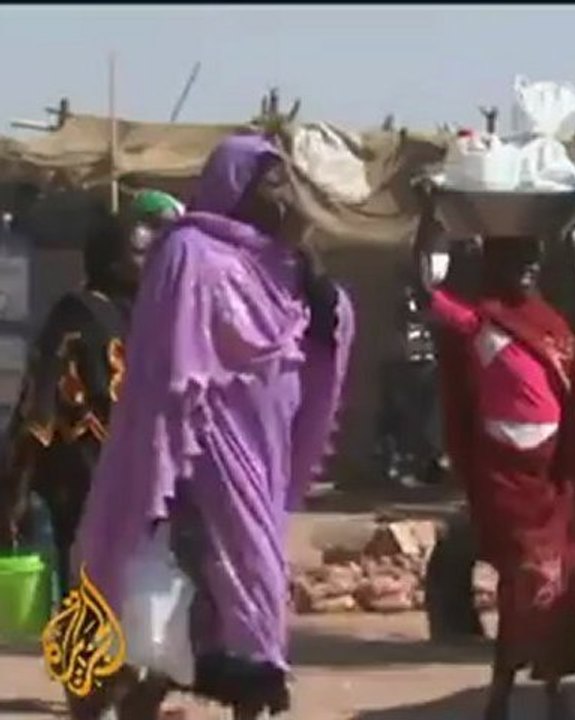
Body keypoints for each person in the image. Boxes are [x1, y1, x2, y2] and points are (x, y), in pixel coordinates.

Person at [70, 133, 354, 720]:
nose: (285, 196)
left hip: (262, 454)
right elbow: (169, 360)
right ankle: (117, 701)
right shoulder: (191, 252)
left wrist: (318, 274)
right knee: (194, 595)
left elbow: (323, 329)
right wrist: (170, 456)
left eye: (286, 183)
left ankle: (223, 698)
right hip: (200, 459)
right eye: (272, 183)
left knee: (243, 589)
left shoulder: (287, 265)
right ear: (237, 188)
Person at [413, 196, 575, 720]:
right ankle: (515, 694)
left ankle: (540, 694)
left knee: (552, 578)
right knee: (530, 577)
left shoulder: (549, 324)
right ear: (494, 266)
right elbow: (423, 292)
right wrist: (426, 220)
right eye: (515, 262)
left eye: (532, 263)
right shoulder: (478, 321)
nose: (525, 272)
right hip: (505, 475)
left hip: (553, 472)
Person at [0, 190, 184, 595]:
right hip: (98, 480)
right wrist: (15, 485)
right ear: (111, 260)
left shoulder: (153, 316)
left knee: (120, 598)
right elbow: (41, 407)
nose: (150, 263)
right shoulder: (87, 313)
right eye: (139, 255)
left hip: (123, 482)